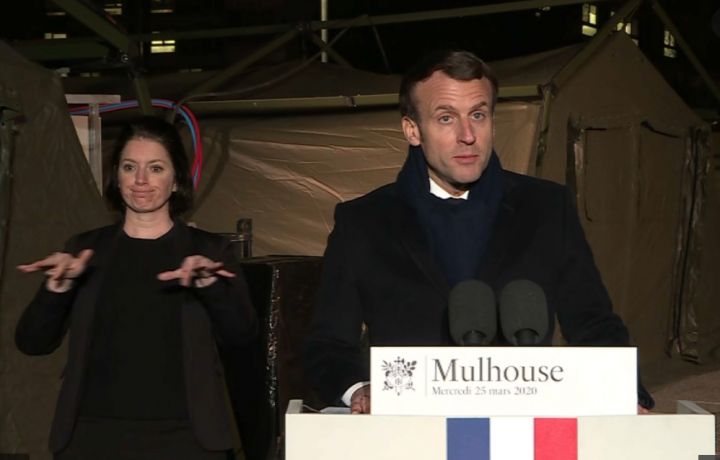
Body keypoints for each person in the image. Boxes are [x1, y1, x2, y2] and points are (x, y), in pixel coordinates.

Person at [303, 49, 654, 415]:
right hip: (410, 427)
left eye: (478, 115)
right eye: (446, 118)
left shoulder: (547, 208)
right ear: (412, 130)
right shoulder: (363, 221)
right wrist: (359, 389)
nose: (467, 136)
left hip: (523, 426)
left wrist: (625, 391)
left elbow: (593, 322)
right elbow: (328, 343)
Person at [15, 116, 257, 459]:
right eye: (130, 167)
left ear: (176, 180)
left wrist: (210, 287)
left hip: (186, 440)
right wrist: (57, 288)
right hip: (91, 438)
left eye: (156, 168)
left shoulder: (209, 251)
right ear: (117, 176)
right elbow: (32, 342)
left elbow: (242, 337)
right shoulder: (85, 250)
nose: (141, 179)